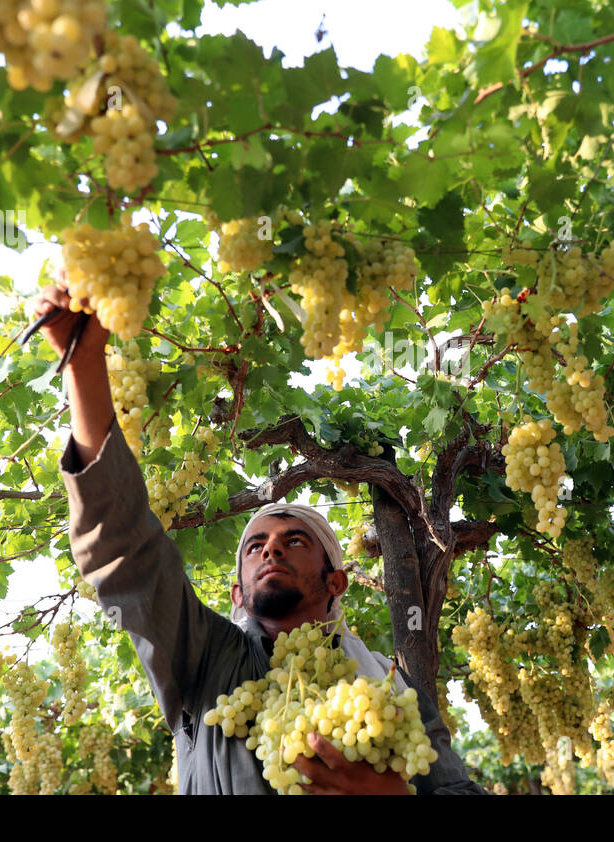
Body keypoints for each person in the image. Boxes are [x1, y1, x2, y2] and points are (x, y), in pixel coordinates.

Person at [34, 280, 488, 795]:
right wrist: (85, 366)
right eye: (255, 546)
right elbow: (125, 552)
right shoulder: (204, 657)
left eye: (296, 541)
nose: (271, 548)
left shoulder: (389, 685)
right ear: (237, 594)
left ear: (337, 580)